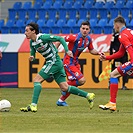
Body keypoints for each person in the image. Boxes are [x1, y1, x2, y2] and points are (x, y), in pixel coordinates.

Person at [20, 22, 95, 112]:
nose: (25, 33)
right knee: (65, 87)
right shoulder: (32, 42)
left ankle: (33, 105)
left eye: (27, 30)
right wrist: (32, 57)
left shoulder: (43, 37)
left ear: (33, 31)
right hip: (57, 63)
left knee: (37, 80)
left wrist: (67, 50)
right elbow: (32, 52)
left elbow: (60, 38)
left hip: (53, 61)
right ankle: (88, 95)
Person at [56, 21, 102, 106]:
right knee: (81, 80)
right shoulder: (75, 37)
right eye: (83, 28)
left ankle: (61, 100)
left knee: (75, 84)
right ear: (80, 29)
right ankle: (64, 87)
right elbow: (60, 39)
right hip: (68, 62)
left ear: (89, 30)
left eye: (86, 29)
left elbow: (91, 50)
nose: (84, 30)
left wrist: (98, 53)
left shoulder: (88, 39)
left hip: (75, 62)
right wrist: (55, 50)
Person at [99, 16, 133, 111]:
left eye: (114, 25)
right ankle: (112, 103)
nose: (114, 27)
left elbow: (130, 49)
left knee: (113, 74)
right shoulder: (129, 32)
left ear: (117, 25)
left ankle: (112, 103)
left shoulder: (122, 36)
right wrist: (106, 57)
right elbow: (121, 53)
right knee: (114, 74)